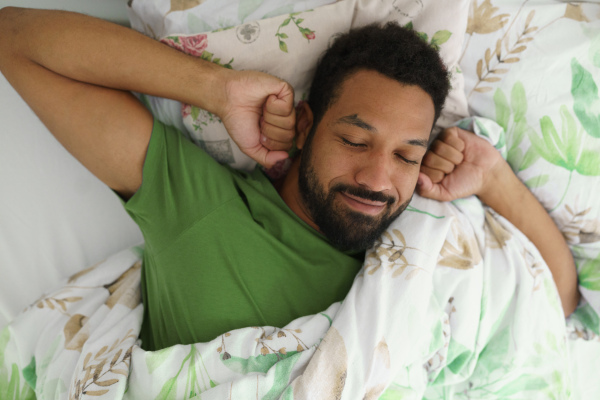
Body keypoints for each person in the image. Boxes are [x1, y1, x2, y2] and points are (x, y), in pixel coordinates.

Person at [0, 7, 579, 352]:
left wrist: (494, 178)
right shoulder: (204, 210)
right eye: (355, 140)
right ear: (305, 125)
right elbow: (15, 39)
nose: (378, 178)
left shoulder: (424, 243)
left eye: (407, 155)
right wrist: (215, 89)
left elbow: (554, 300)